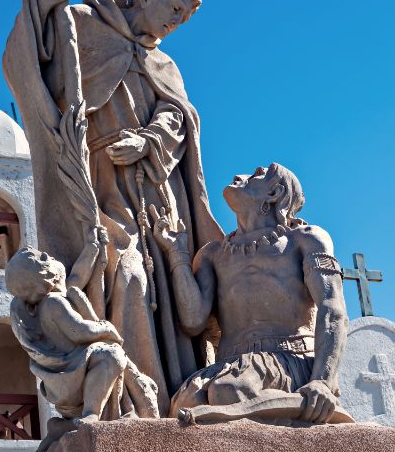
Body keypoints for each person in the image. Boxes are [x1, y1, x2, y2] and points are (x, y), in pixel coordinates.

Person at [3, 0, 223, 414]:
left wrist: (151, 138)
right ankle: (127, 403)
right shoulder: (81, 21)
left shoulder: (162, 63)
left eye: (184, 19)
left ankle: (176, 400)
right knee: (127, 277)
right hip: (96, 182)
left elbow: (179, 115)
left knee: (170, 288)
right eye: (174, 9)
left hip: (156, 189)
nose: (176, 23)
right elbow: (24, 65)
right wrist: (44, 6)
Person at [151, 163, 353, 424]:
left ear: (274, 193)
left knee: (229, 390)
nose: (239, 176)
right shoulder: (212, 254)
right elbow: (192, 320)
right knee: (186, 401)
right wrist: (176, 253)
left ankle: (290, 416)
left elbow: (332, 309)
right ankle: (280, 411)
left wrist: (323, 381)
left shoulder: (306, 239)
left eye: (257, 175)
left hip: (288, 360)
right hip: (230, 362)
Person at [5, 246, 159, 424]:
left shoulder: (49, 304)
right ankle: (91, 413)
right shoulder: (54, 302)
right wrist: (106, 328)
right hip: (75, 373)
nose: (47, 254)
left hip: (70, 377)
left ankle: (119, 408)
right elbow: (80, 332)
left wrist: (92, 245)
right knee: (111, 356)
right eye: (41, 258)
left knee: (112, 357)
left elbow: (79, 275)